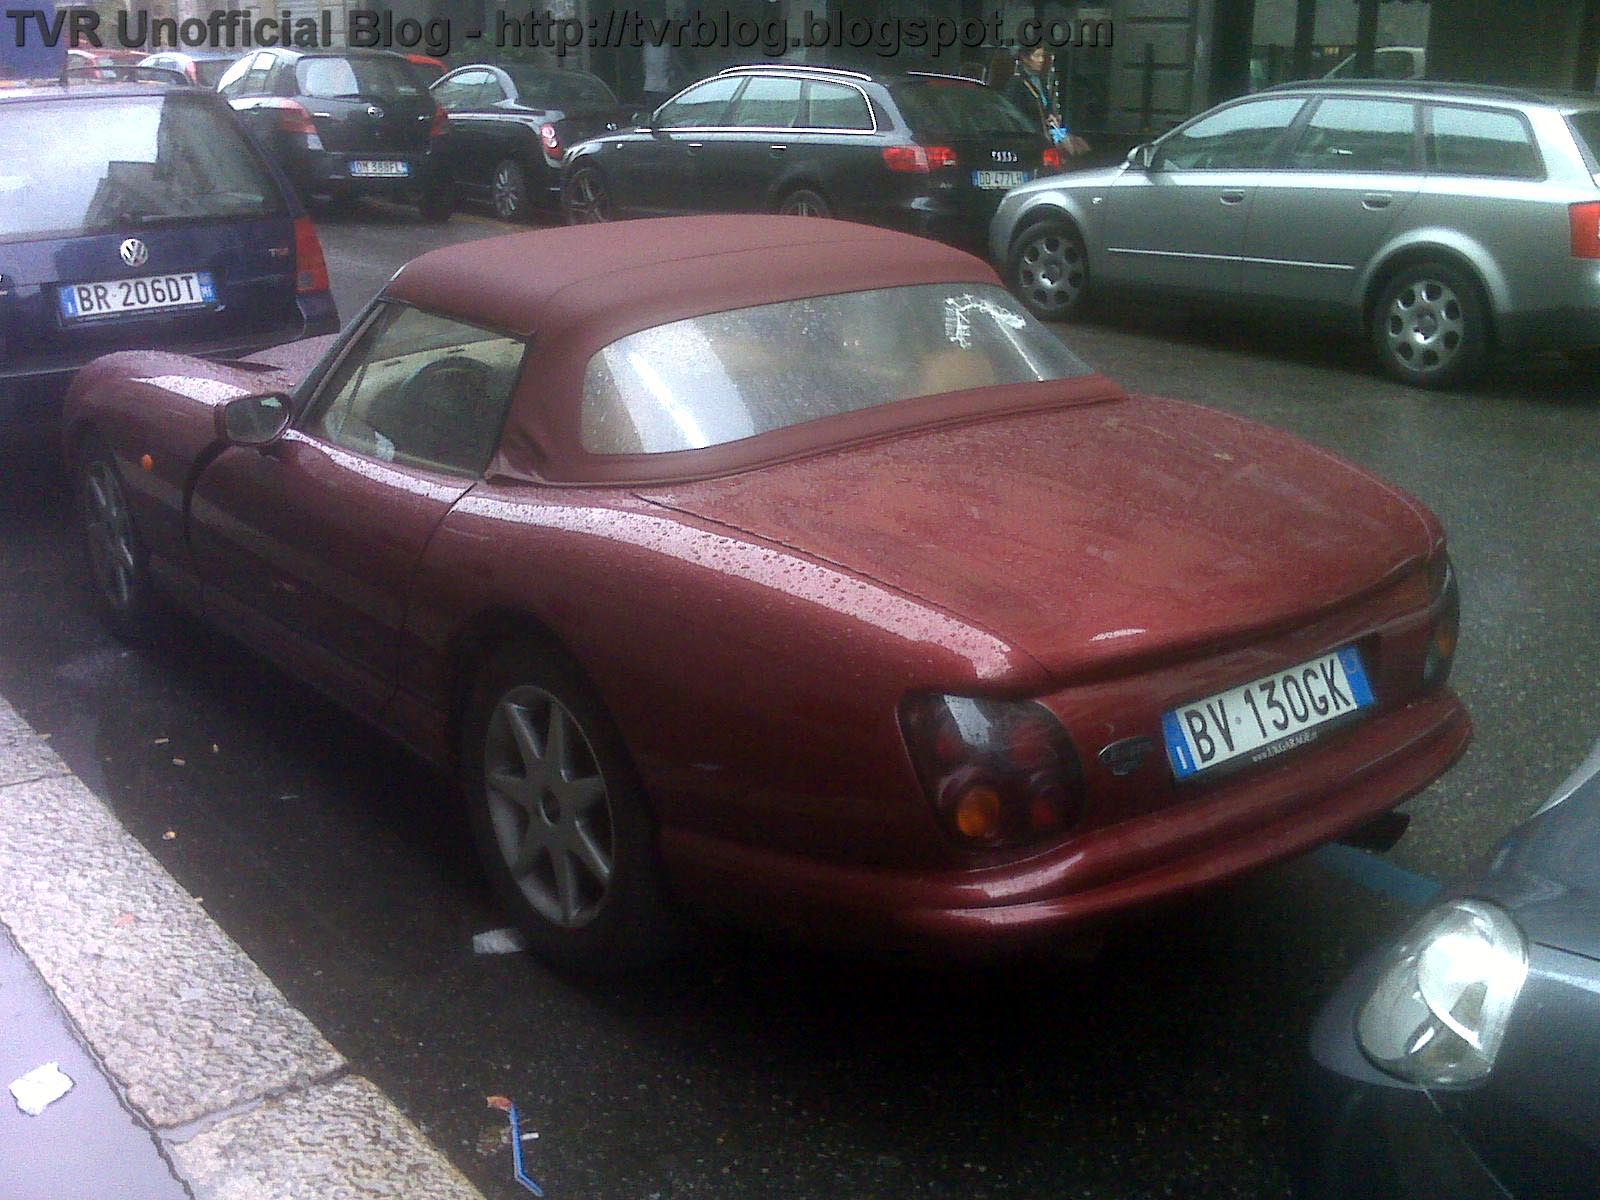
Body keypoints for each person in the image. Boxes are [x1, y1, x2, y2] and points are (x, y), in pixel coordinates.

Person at [1005, 46, 1089, 159]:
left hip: (1045, 135)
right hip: (1029, 137)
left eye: (1042, 56)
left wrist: (1051, 117)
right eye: (1037, 56)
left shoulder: (1040, 80)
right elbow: (1013, 114)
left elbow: (1046, 106)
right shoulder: (1016, 84)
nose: (1041, 60)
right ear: (1025, 58)